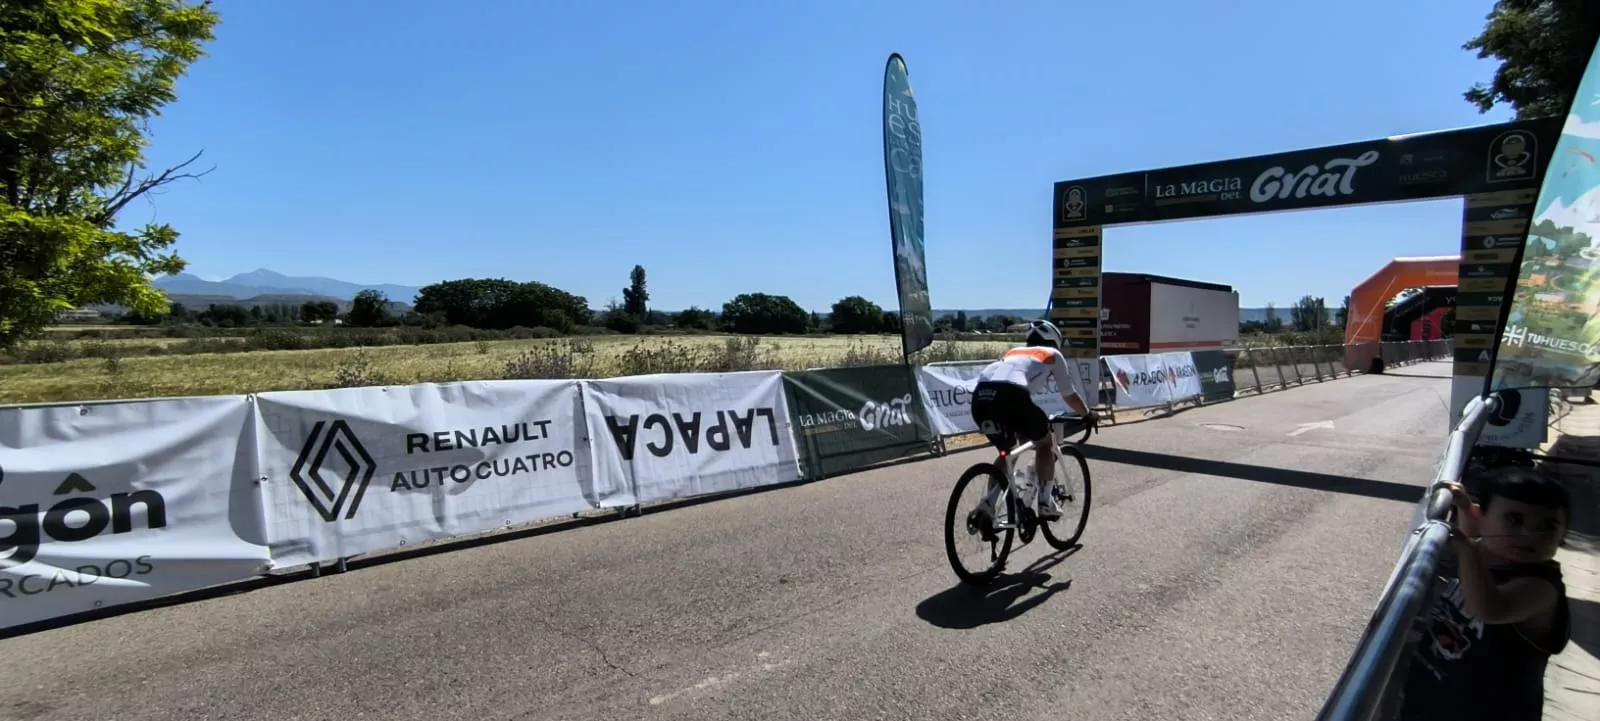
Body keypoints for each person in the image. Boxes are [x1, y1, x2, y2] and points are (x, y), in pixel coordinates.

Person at [1391, 466, 1572, 721]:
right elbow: (1476, 537)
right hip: (1434, 696)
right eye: (1515, 519)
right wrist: (1465, 508)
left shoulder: (1540, 587)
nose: (1529, 535)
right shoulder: (1487, 553)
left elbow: (1488, 609)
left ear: (1562, 535)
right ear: (1482, 517)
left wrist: (1465, 548)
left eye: (1548, 526)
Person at [968, 319, 1094, 521]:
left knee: (1008, 452)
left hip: (980, 399)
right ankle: (1045, 504)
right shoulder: (1052, 354)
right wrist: (1087, 414)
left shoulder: (1013, 352)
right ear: (1054, 341)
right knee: (1044, 443)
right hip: (1011, 395)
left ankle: (988, 505)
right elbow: (1069, 395)